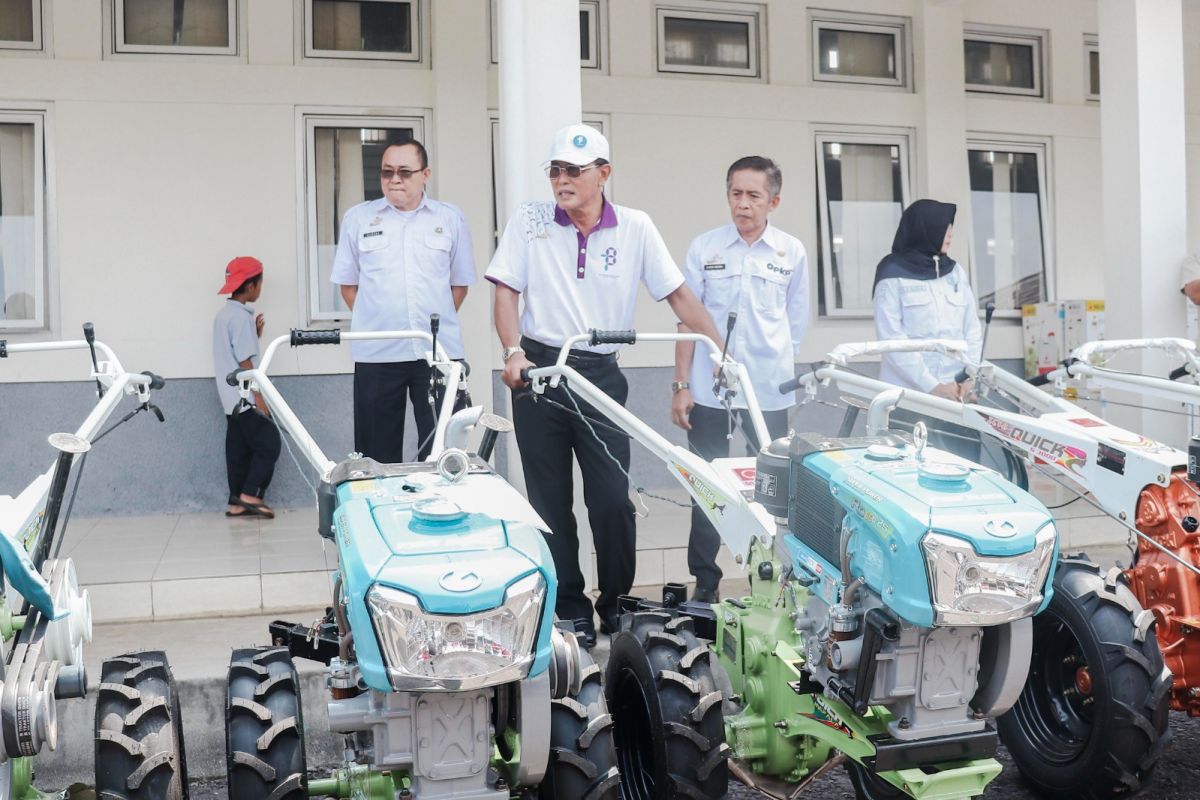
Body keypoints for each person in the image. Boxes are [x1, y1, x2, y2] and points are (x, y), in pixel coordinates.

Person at [486, 123, 725, 647]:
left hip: (599, 373)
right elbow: (505, 292)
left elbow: (678, 296)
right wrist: (512, 351)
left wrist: (718, 349)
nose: (562, 180)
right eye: (555, 170)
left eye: (575, 170)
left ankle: (616, 603)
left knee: (612, 498)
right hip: (540, 372)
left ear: (604, 173)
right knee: (550, 501)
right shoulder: (529, 219)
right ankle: (569, 604)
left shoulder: (636, 226)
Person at [670, 155, 808, 603]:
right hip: (709, 391)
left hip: (767, 390)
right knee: (705, 487)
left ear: (773, 201)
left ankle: (764, 582)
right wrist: (681, 384)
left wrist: (784, 375)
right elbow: (687, 320)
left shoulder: (792, 253)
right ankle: (705, 583)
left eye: (753, 195)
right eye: (736, 193)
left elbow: (796, 324)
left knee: (770, 491)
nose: (743, 204)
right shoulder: (704, 248)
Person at [330, 138, 476, 464]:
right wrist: (381, 322)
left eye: (404, 172)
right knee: (376, 458)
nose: (394, 179)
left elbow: (459, 286)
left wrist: (430, 324)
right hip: (378, 354)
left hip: (438, 354)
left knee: (444, 452)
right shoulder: (358, 219)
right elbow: (349, 287)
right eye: (387, 172)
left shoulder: (450, 219)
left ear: (425, 174)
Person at [872, 199, 982, 461]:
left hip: (957, 397)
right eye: (945, 227)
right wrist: (932, 385)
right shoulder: (891, 273)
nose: (951, 234)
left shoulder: (955, 272)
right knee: (907, 471)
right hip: (908, 399)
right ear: (925, 229)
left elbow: (972, 328)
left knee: (962, 468)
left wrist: (968, 378)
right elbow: (892, 340)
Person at [213, 256, 281, 519]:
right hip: (244, 396)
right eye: (260, 283)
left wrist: (255, 335)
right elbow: (245, 363)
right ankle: (251, 495)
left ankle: (236, 502)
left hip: (228, 397)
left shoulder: (225, 315)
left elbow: (234, 351)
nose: (260, 288)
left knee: (238, 450)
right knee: (269, 443)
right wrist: (259, 397)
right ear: (251, 285)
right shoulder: (240, 319)